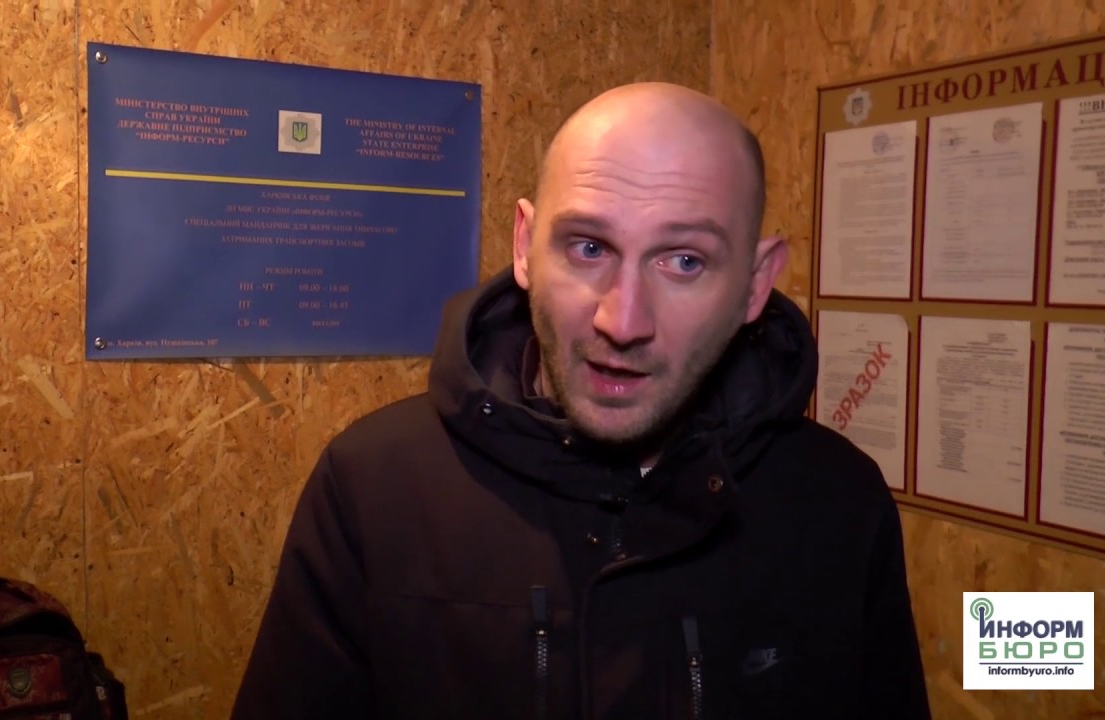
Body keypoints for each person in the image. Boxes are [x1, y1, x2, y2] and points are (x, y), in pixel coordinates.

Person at [231, 82, 931, 719]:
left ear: (754, 284)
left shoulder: (837, 502)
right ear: (524, 247)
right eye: (589, 248)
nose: (622, 321)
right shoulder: (374, 486)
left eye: (684, 261)